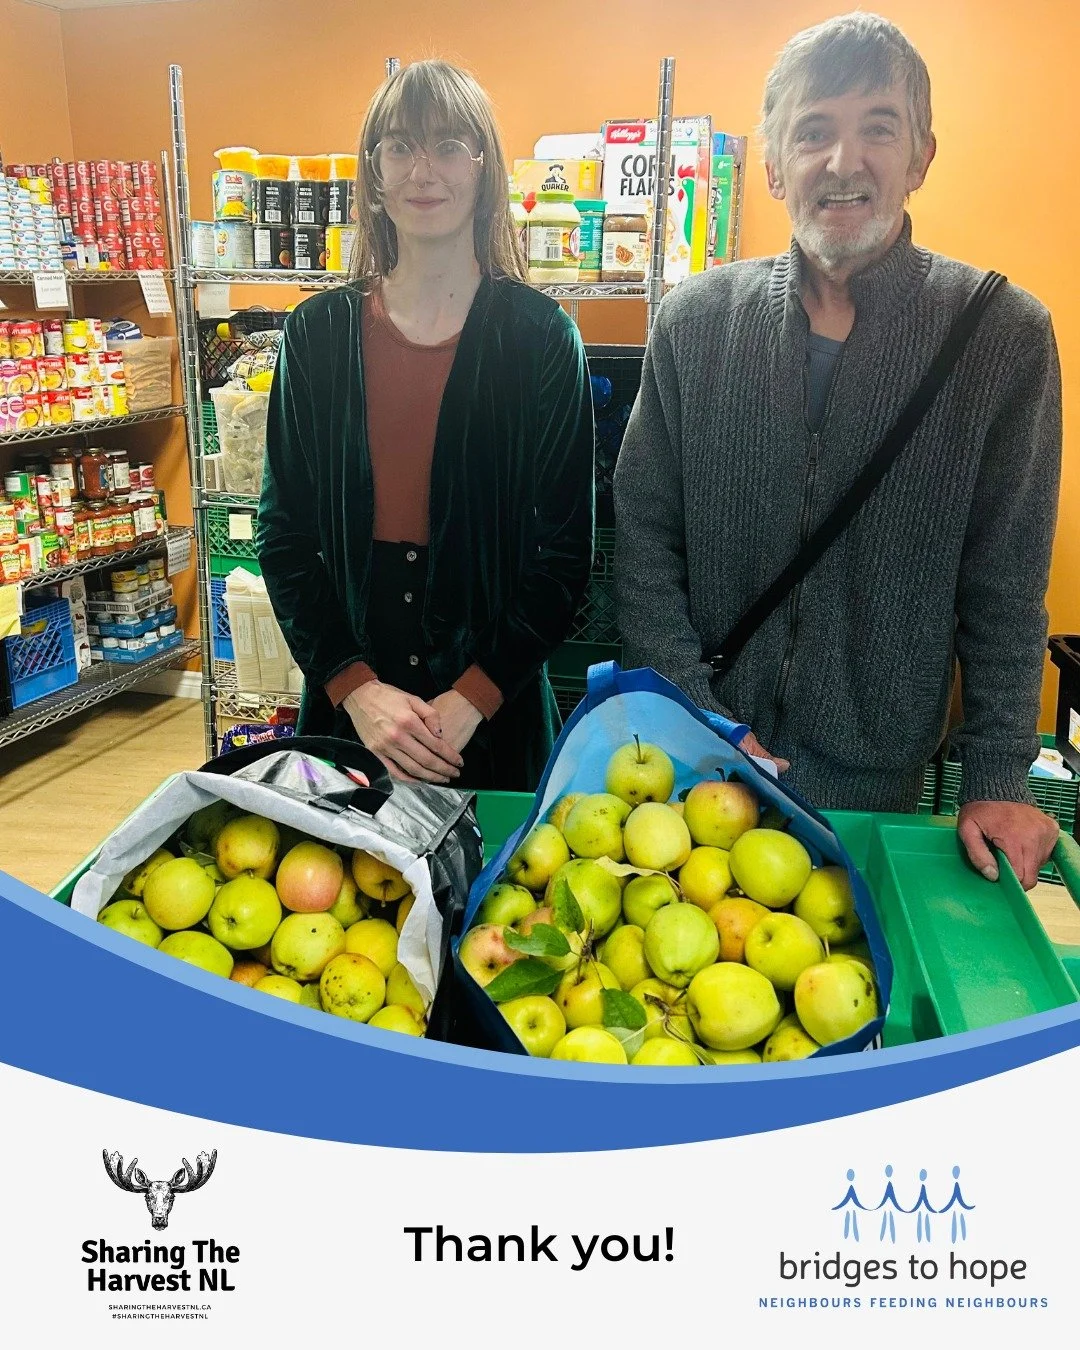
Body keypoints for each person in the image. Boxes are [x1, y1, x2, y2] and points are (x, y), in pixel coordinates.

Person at [614, 13, 1061, 888]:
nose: (843, 161)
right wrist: (698, 716)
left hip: (878, 791)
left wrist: (1001, 776)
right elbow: (641, 542)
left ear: (921, 155)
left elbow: (1007, 582)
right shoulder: (695, 324)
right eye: (813, 131)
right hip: (695, 777)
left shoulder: (1002, 336)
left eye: (877, 128)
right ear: (774, 163)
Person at [257, 60, 594, 791]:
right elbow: (284, 537)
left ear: (484, 170)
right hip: (351, 715)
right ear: (374, 173)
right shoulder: (317, 335)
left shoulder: (539, 338)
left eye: (448, 145)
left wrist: (471, 699)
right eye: (400, 146)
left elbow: (564, 557)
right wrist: (357, 689)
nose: (423, 169)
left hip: (492, 718)